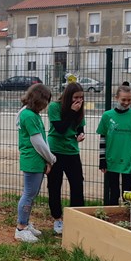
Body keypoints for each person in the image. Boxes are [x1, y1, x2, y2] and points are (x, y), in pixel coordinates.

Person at [15, 83, 56, 243]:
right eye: (46, 100)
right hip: (33, 160)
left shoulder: (26, 112)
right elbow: (37, 141)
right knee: (29, 194)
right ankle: (21, 228)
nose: (46, 105)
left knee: (31, 194)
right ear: (39, 99)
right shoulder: (30, 116)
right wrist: (51, 158)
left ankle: (25, 223)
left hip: (35, 160)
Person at [96, 82, 131, 206]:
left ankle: (126, 220)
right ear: (116, 98)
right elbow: (103, 139)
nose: (126, 102)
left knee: (127, 194)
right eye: (123, 99)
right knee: (113, 193)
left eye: (129, 100)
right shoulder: (107, 116)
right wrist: (102, 159)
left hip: (129, 162)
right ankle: (110, 220)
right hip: (111, 160)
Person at [47, 81, 85, 235]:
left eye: (81, 98)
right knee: (54, 185)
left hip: (72, 151)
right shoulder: (55, 107)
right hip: (55, 150)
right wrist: (72, 112)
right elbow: (61, 129)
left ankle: (76, 217)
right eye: (75, 97)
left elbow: (79, 128)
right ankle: (57, 218)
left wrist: (80, 134)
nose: (79, 101)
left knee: (77, 184)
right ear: (68, 96)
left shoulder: (79, 109)